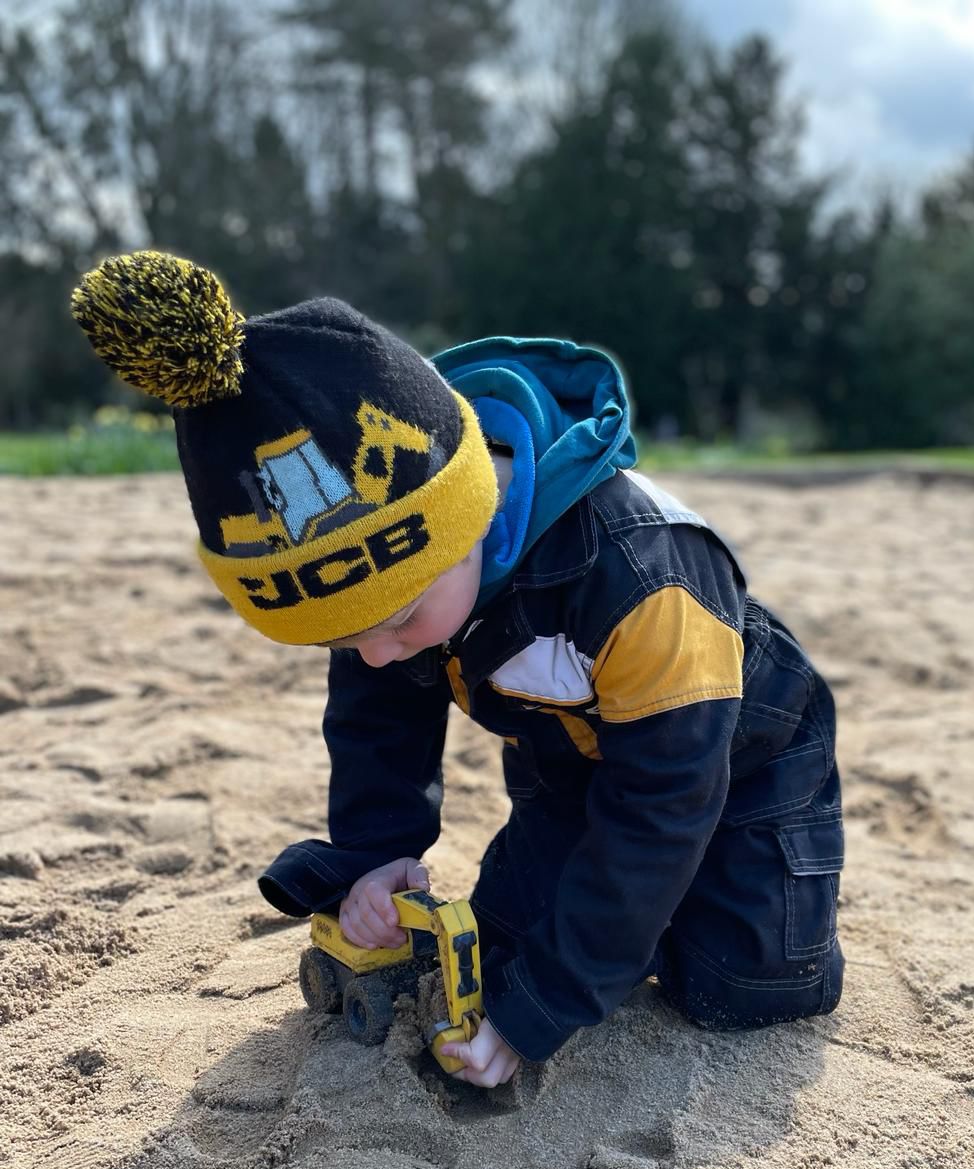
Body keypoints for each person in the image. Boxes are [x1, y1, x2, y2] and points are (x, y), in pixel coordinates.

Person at [71, 251, 844, 1089]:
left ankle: (686, 919)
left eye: (398, 620)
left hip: (742, 759)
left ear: (469, 517)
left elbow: (665, 802)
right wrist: (375, 854)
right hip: (566, 760)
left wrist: (543, 1009)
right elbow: (380, 720)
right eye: (342, 639)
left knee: (736, 987)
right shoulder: (395, 605)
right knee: (506, 948)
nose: (376, 653)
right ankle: (629, 924)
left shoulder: (643, 580)